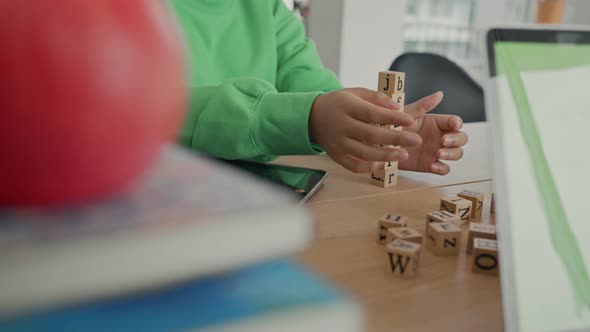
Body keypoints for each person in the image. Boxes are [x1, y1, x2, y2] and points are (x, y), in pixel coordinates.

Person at [169, 0, 468, 174]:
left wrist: (375, 131)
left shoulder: (267, 7)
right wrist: (308, 119)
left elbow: (311, 83)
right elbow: (149, 112)